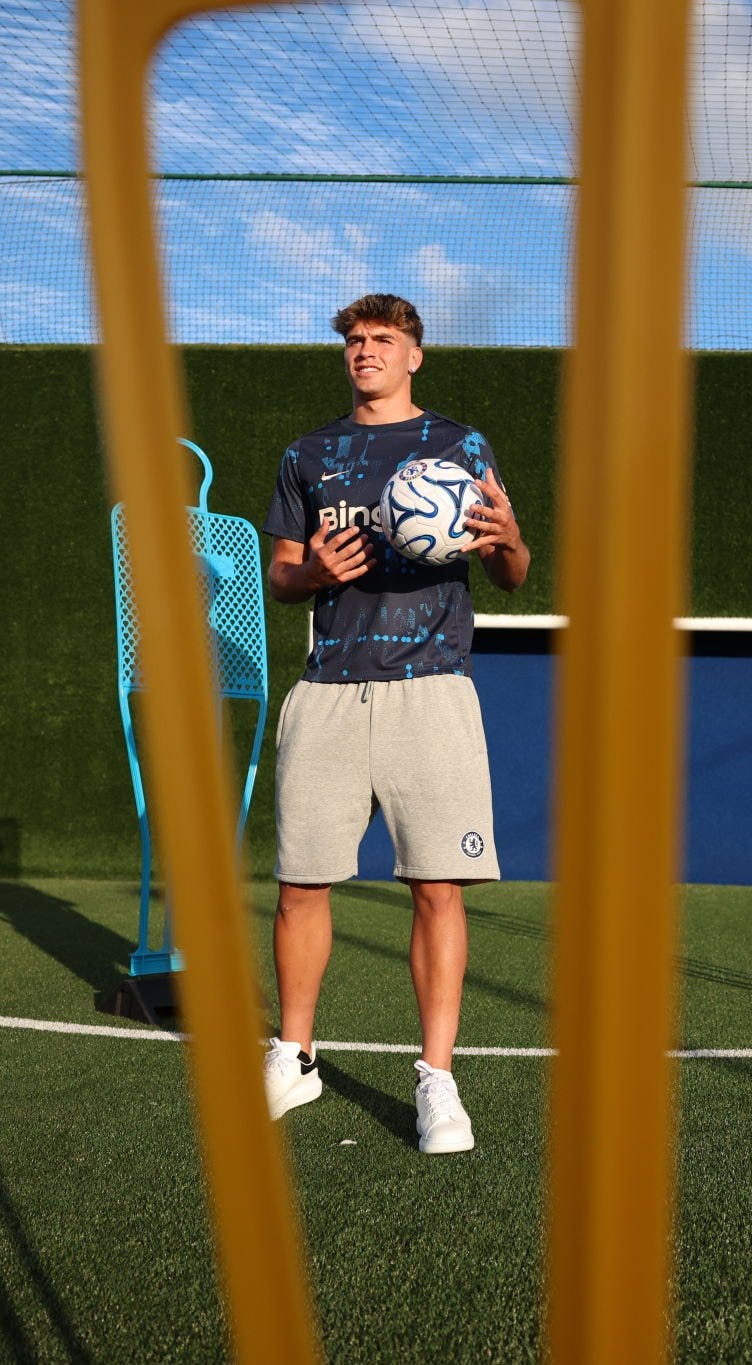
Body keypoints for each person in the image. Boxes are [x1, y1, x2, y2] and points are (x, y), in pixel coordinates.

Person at [258, 293, 529, 1153]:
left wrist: (512, 536)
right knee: (302, 882)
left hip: (433, 688)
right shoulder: (309, 456)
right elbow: (279, 574)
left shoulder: (460, 446)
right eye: (353, 340)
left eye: (382, 339)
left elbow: (512, 572)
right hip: (330, 688)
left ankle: (437, 1081)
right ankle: (294, 1055)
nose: (364, 351)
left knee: (437, 886)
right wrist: (313, 574)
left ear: (415, 354)